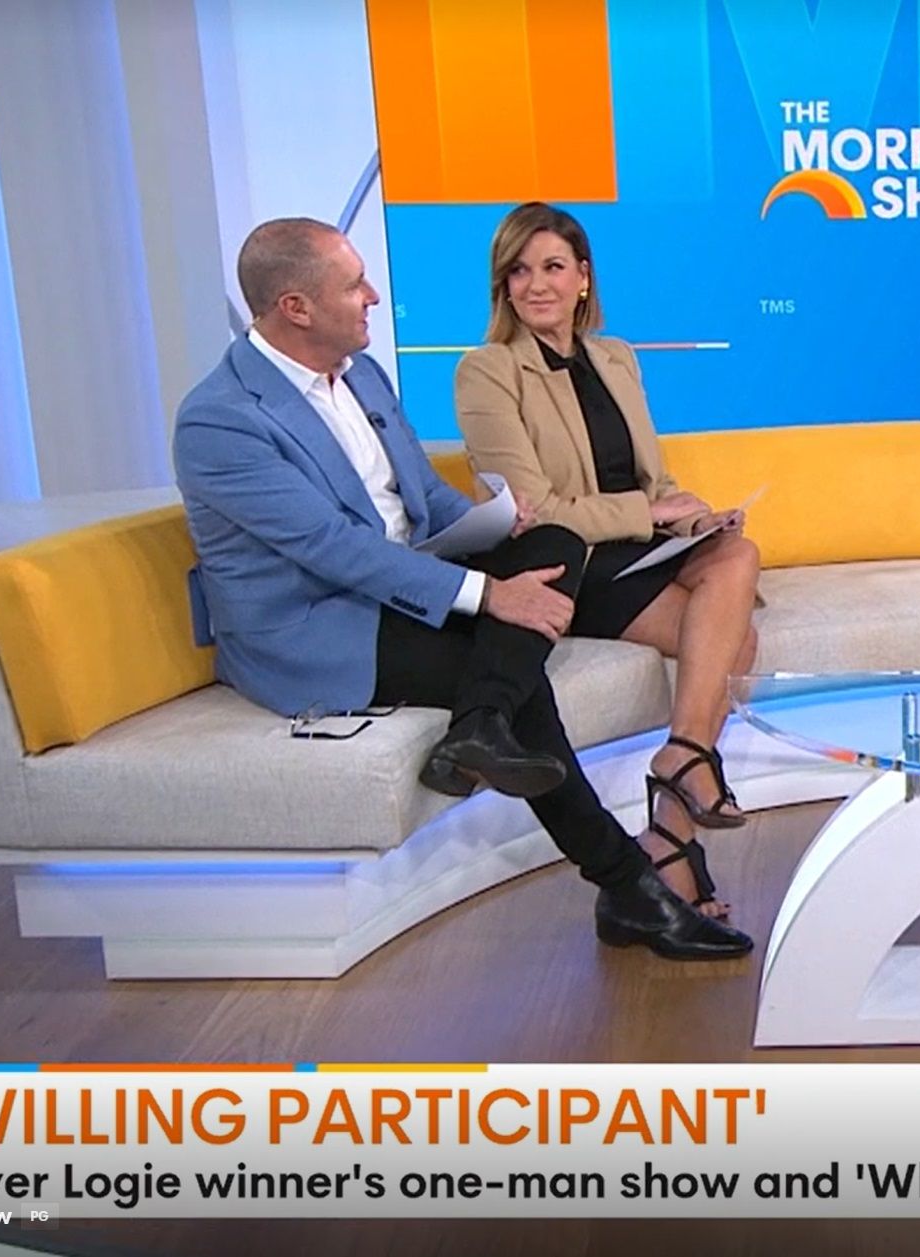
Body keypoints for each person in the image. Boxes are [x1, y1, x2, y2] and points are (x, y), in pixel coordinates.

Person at [173, 217, 750, 960]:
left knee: (552, 544)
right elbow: (333, 549)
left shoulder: (362, 376)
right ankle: (629, 884)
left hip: (405, 585)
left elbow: (424, 499)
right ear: (296, 308)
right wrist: (486, 592)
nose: (373, 296)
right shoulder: (222, 421)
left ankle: (480, 729)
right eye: (354, 285)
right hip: (319, 624)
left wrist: (506, 527)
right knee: (518, 678)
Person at [453, 202, 762, 921]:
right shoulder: (487, 371)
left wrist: (691, 514)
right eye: (519, 271)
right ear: (503, 287)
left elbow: (650, 479)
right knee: (736, 642)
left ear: (583, 278)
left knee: (735, 549)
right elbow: (534, 509)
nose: (537, 285)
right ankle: (674, 826)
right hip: (569, 563)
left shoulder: (615, 356)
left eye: (553, 267)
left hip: (641, 544)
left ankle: (677, 773)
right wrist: (646, 514)